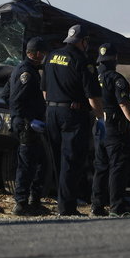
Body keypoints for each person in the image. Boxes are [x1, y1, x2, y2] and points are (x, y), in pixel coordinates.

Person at [41, 24, 104, 216]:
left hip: (51, 112)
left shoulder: (51, 56)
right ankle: (66, 207)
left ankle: (63, 202)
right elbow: (92, 96)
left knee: (58, 160)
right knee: (71, 161)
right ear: (83, 42)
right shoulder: (82, 61)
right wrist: (101, 118)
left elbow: (44, 91)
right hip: (72, 115)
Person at [91, 42, 130, 217]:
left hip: (98, 125)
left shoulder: (93, 78)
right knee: (117, 167)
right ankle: (117, 207)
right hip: (114, 128)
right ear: (115, 59)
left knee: (101, 167)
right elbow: (124, 104)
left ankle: (96, 206)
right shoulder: (116, 79)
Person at [8, 36, 50, 216]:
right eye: (43, 53)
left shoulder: (19, 69)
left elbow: (5, 95)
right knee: (27, 165)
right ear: (37, 54)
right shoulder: (27, 73)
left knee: (40, 163)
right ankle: (22, 203)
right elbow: (16, 100)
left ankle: (33, 201)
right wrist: (26, 119)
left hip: (25, 123)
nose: (44, 57)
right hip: (27, 126)